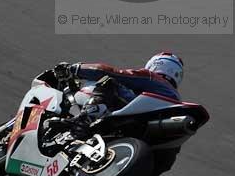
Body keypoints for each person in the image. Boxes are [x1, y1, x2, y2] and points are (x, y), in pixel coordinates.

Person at [48, 51, 184, 127]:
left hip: (135, 114)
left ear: (155, 65)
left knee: (108, 80)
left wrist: (73, 69)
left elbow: (109, 72)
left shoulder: (151, 77)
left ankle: (84, 119)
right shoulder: (176, 99)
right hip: (148, 129)